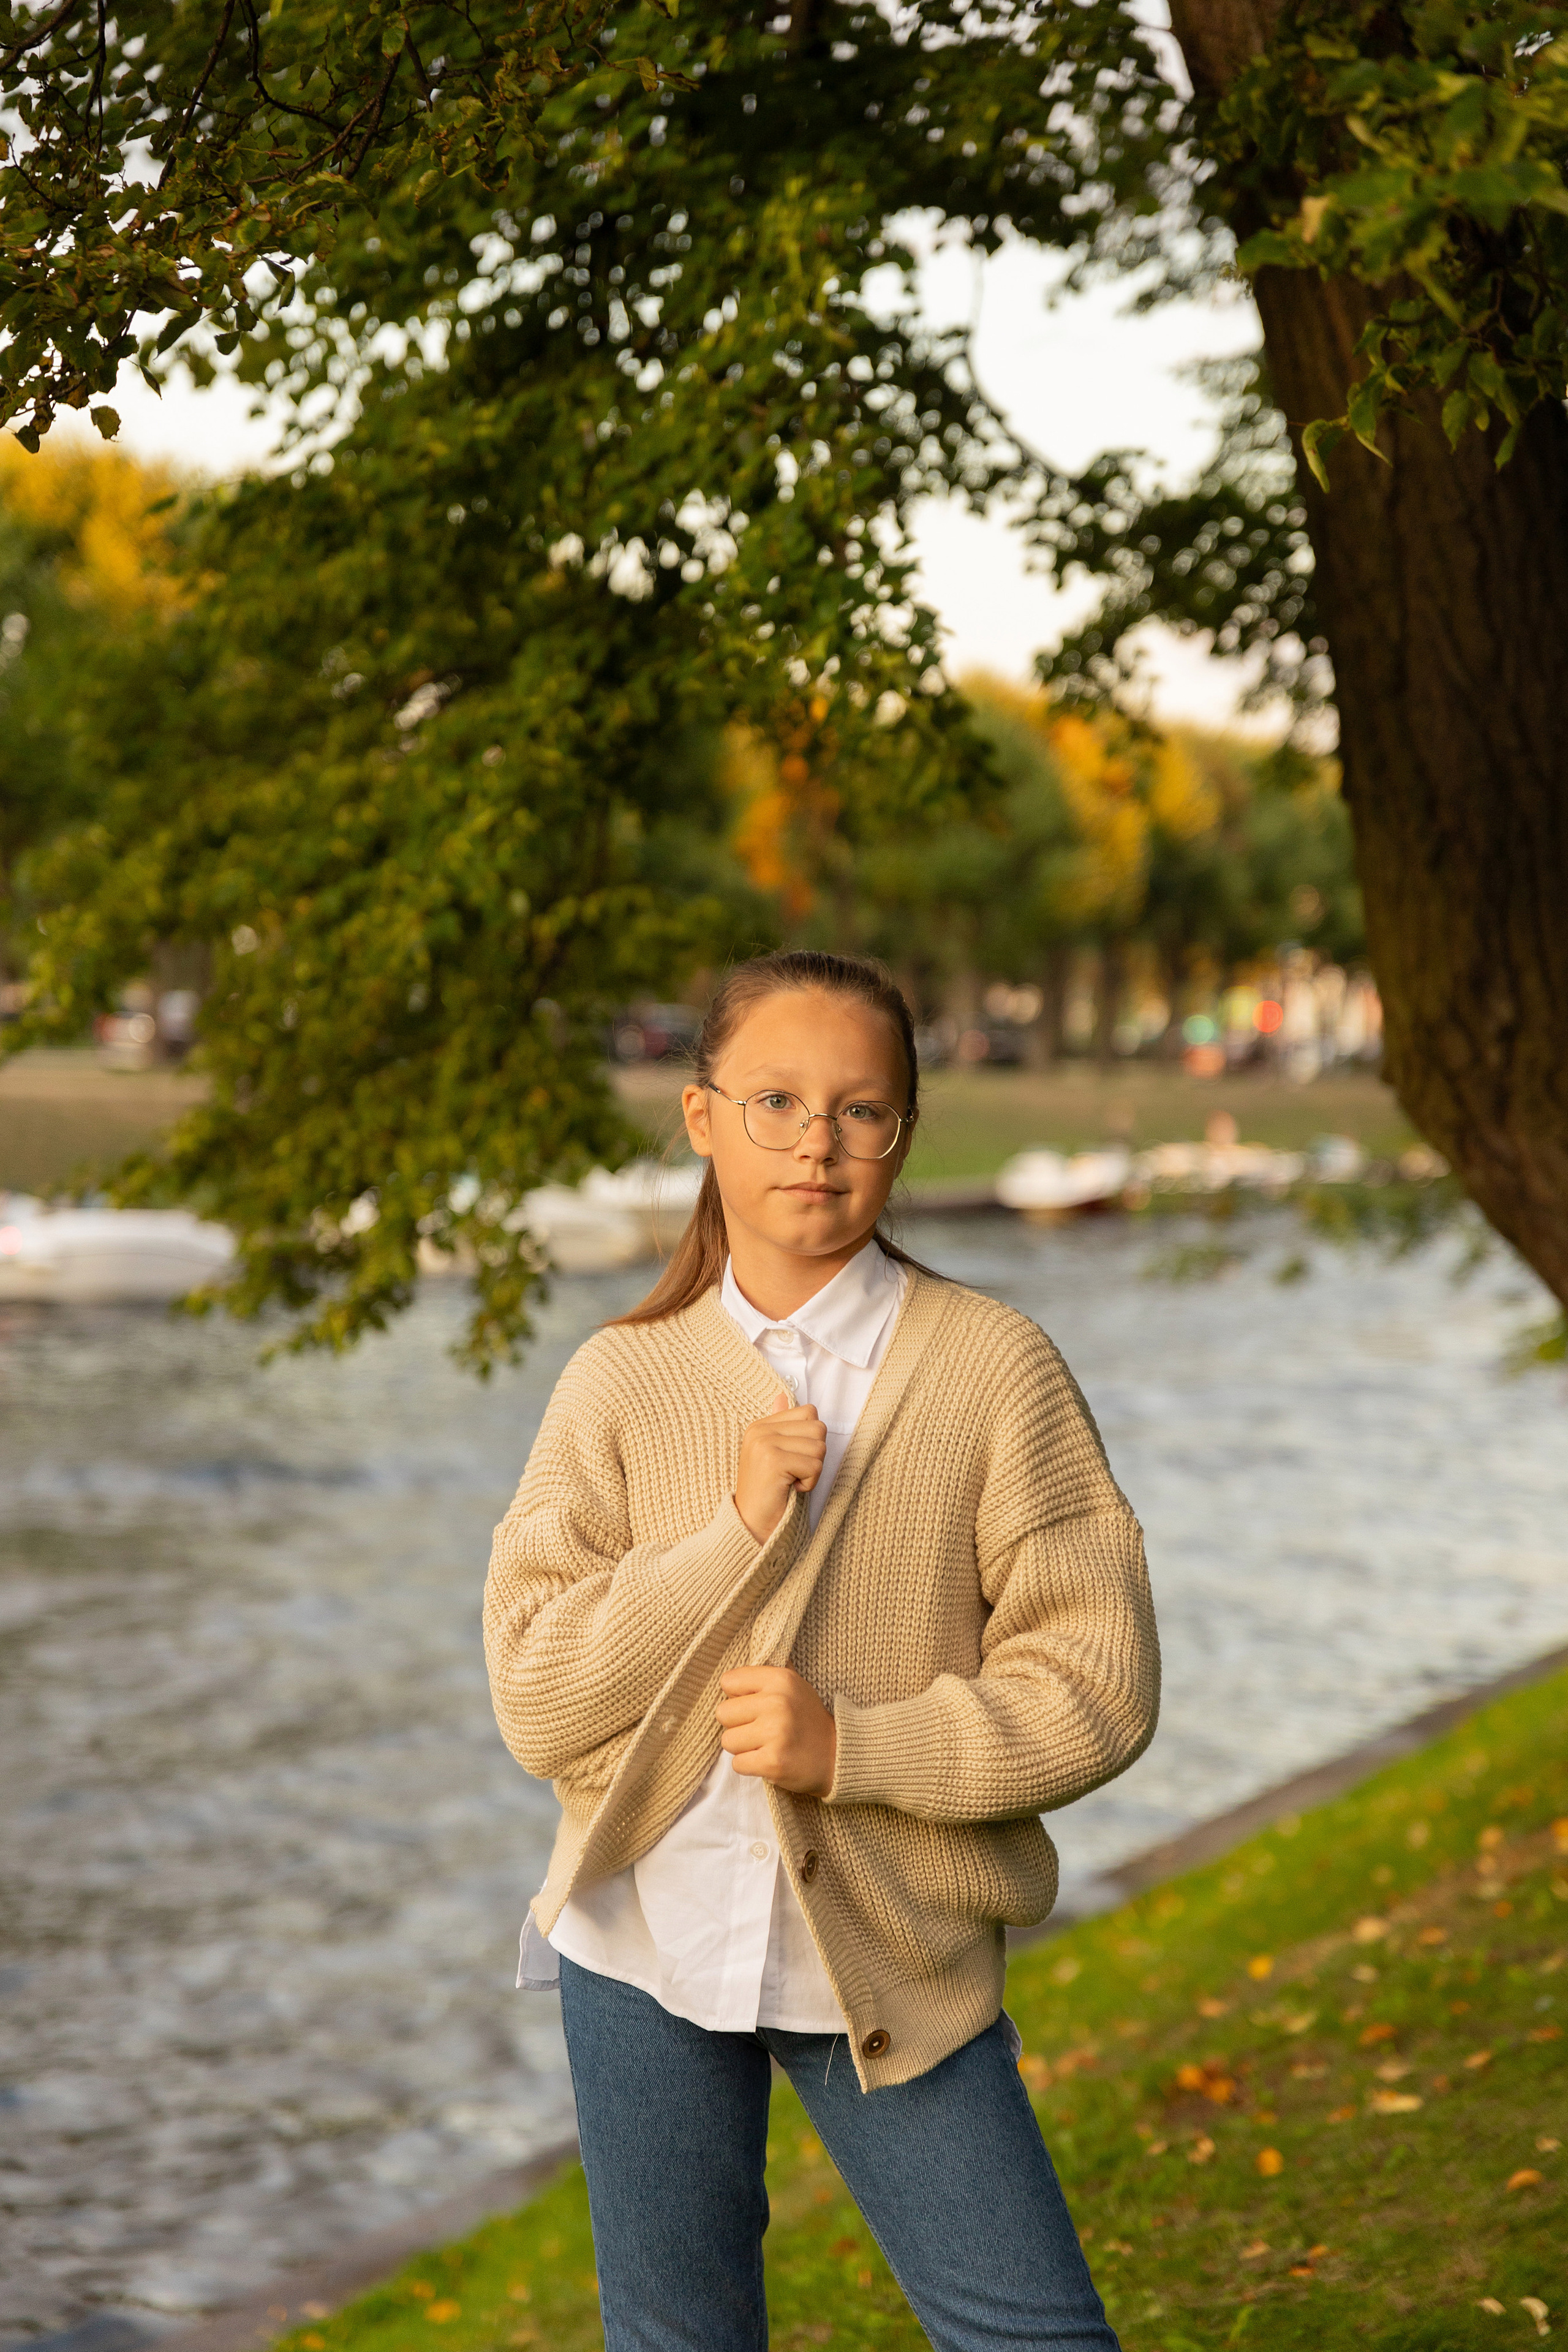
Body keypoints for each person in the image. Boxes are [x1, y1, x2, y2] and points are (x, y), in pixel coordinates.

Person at [483, 949, 1160, 2352]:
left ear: (900, 1134)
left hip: (891, 1948)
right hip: (641, 1953)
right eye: (776, 1100)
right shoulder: (619, 1379)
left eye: (859, 1110)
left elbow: (1096, 1685)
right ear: (699, 1116)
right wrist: (729, 1536)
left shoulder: (992, 1370)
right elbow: (537, 1695)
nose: (815, 1142)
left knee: (1030, 2336)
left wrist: (854, 1745)